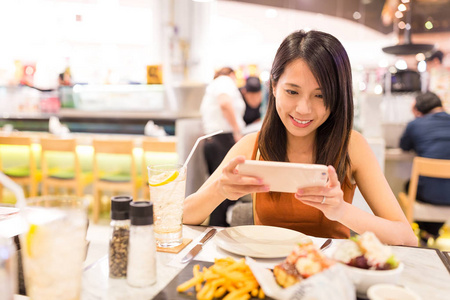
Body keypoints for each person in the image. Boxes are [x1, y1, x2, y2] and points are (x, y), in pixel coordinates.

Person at [184, 30, 417, 246]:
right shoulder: (252, 146)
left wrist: (341, 211)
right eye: (292, 92)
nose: (303, 109)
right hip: (265, 274)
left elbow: (406, 238)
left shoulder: (351, 146)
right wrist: (220, 190)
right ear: (274, 87)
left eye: (320, 95)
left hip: (330, 277)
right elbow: (182, 215)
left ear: (337, 97)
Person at [200, 67, 246, 226]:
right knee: (221, 189)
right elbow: (225, 103)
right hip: (222, 139)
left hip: (214, 140)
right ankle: (217, 227)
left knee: (218, 189)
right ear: (232, 75)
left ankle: (216, 226)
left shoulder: (214, 85)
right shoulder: (224, 81)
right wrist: (236, 131)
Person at [399, 92, 450, 237]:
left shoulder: (415, 124)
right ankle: (430, 233)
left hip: (429, 194)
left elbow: (404, 146)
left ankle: (425, 232)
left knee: (411, 186)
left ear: (418, 111)